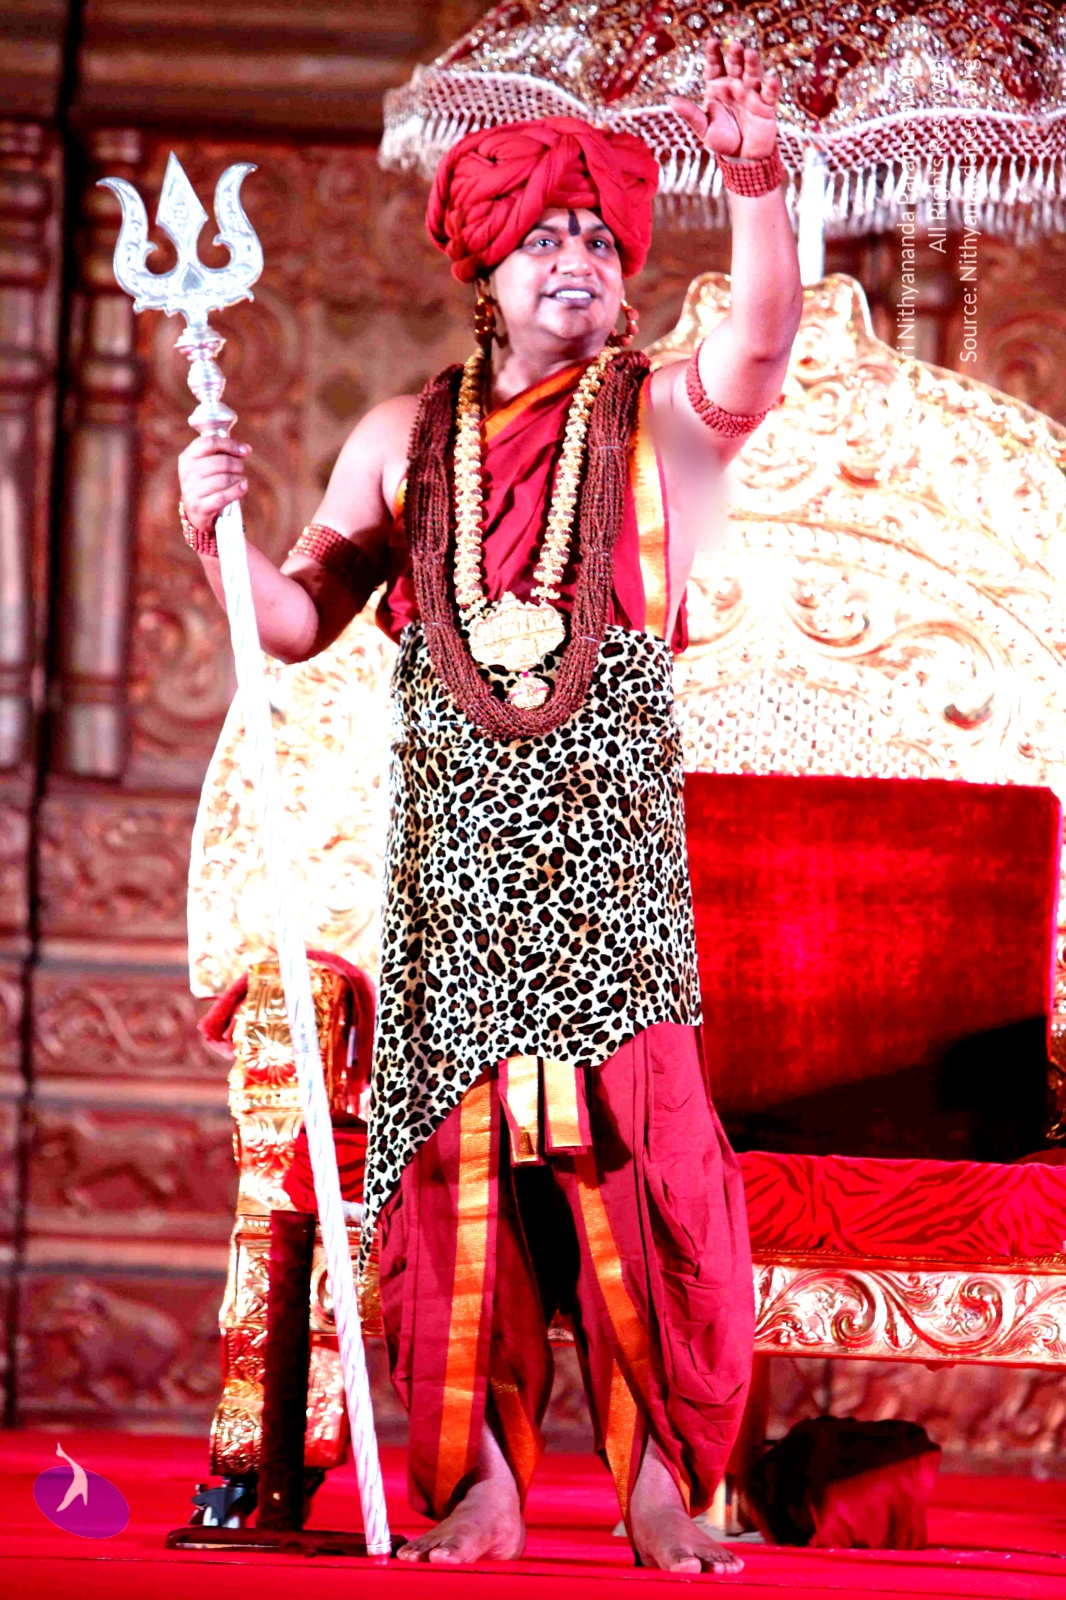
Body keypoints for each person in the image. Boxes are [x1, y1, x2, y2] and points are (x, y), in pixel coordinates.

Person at [179, 37, 801, 1576]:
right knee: (458, 1183)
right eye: (544, 237)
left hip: (609, 886)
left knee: (632, 1180)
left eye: (597, 237)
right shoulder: (399, 438)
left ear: (626, 274)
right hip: (452, 886)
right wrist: (217, 536)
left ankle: (658, 1489)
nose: (575, 258)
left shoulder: (659, 420)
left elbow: (759, 347)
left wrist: (756, 183)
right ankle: (482, 1489)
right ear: (487, 268)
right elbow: (294, 622)